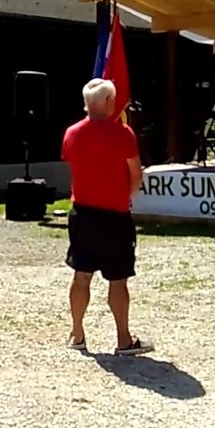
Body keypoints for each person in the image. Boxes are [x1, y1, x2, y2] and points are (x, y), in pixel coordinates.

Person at [62, 78, 154, 356]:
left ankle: (77, 333)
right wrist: (125, 195)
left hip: (83, 213)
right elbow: (136, 174)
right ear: (107, 102)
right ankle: (123, 339)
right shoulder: (123, 134)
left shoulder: (72, 133)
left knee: (81, 275)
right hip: (114, 215)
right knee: (118, 278)